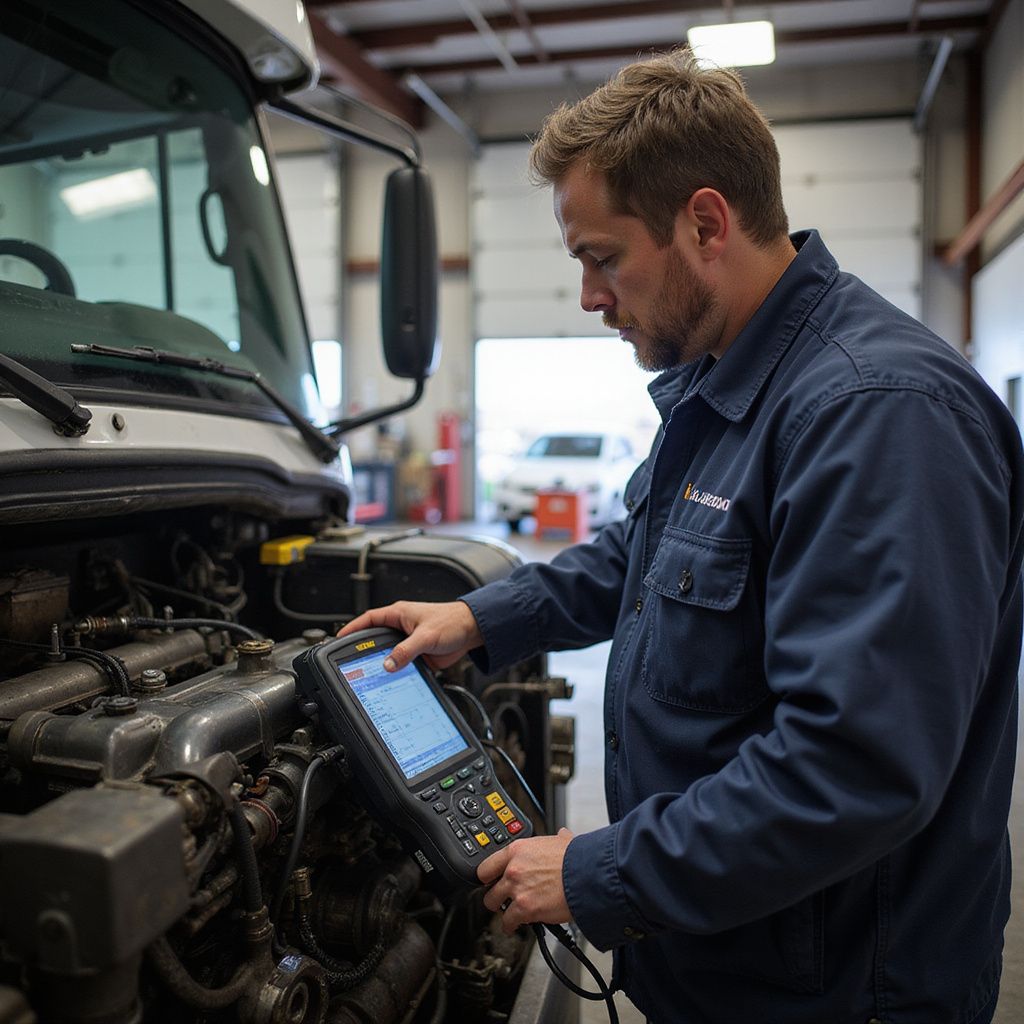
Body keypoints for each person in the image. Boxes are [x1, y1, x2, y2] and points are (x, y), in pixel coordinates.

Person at [340, 49, 1023, 1024]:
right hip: (729, 957)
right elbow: (645, 553)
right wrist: (480, 616)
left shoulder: (878, 414)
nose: (588, 297)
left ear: (705, 222)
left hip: (835, 989)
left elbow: (854, 766)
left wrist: (601, 870)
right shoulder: (729, 382)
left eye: (602, 256)